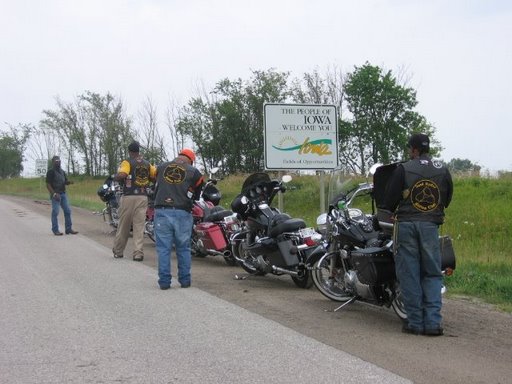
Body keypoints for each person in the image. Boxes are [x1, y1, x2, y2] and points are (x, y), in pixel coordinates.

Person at [384, 133, 453, 336]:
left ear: (414, 149)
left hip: (406, 225)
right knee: (432, 273)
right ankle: (433, 323)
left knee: (409, 273)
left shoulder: (404, 168)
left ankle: (414, 322)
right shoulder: (442, 169)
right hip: (430, 226)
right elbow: (447, 197)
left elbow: (389, 201)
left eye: (409, 148)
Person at [153, 148, 203, 290]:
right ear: (190, 160)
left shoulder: (161, 167)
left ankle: (164, 282)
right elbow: (197, 194)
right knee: (183, 248)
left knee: (163, 248)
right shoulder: (194, 173)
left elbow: (155, 182)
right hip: (182, 212)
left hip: (162, 211)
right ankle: (185, 281)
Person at [112, 141, 156, 261]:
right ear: (138, 151)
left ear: (129, 151)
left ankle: (118, 251)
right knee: (139, 226)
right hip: (143, 196)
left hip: (129, 196)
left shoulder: (127, 162)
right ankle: (138, 253)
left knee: (124, 225)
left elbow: (122, 174)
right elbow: (154, 176)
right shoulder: (147, 164)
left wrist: (115, 177)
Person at [45, 155, 78, 236]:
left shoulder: (62, 171)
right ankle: (55, 230)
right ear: (53, 162)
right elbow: (48, 184)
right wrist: (54, 194)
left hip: (63, 194)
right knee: (55, 212)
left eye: (59, 161)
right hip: (56, 195)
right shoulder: (50, 172)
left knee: (67, 211)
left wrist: (69, 182)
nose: (58, 162)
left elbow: (64, 181)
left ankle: (68, 229)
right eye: (56, 161)